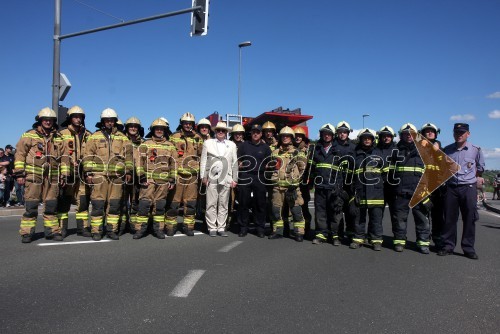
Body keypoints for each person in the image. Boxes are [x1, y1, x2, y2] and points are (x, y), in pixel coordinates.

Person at [14, 107, 63, 243]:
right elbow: (20, 155)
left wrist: (63, 175)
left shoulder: (58, 138)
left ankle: (52, 232)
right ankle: (27, 233)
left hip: (52, 177)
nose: (48, 122)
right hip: (33, 176)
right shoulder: (29, 135)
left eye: (50, 120)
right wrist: (19, 174)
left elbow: (63, 158)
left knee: (51, 205)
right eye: (45, 120)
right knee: (31, 205)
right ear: (40, 121)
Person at [83, 108, 133, 241]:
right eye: (107, 120)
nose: (109, 122)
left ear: (115, 121)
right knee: (98, 204)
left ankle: (111, 230)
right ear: (103, 121)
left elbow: (128, 156)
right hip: (99, 176)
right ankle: (97, 231)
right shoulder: (94, 137)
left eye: (112, 120)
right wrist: (88, 173)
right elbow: (88, 156)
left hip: (117, 177)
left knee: (114, 204)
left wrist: (128, 171)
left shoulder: (123, 138)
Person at [439, 123, 485, 259]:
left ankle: (468, 248)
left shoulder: (475, 150)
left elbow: (480, 168)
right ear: (453, 134)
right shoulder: (447, 150)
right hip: (451, 187)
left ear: (468, 134)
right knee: (449, 218)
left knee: (469, 218)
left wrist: (475, 179)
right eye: (457, 132)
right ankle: (448, 246)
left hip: (468, 188)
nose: (459, 135)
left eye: (462, 133)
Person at [389, 123, 432, 254]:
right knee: (399, 219)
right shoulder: (395, 151)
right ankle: (400, 242)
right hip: (401, 192)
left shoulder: (424, 151)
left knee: (422, 220)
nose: (409, 136)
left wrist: (427, 193)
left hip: (419, 193)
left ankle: (423, 243)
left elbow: (431, 174)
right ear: (401, 135)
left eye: (411, 134)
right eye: (406, 134)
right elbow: (390, 173)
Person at [134, 118, 176, 239]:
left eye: (161, 129)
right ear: (153, 130)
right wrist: (141, 176)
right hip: (148, 181)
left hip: (163, 182)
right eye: (157, 129)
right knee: (144, 205)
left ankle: (158, 229)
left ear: (165, 130)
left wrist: (172, 179)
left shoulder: (170, 146)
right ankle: (140, 230)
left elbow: (173, 164)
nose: (159, 131)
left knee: (160, 206)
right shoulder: (145, 145)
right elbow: (139, 162)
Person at [58, 105, 93, 238]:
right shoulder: (62, 134)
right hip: (67, 176)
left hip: (82, 175)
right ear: (70, 118)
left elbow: (92, 153)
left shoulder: (88, 135)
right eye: (75, 117)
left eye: (80, 117)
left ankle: (83, 229)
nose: (78, 119)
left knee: (83, 203)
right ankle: (62, 229)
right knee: (64, 203)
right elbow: (59, 155)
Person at [165, 112, 203, 236]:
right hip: (178, 175)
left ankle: (188, 226)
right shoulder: (174, 137)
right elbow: (169, 156)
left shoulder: (198, 138)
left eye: (190, 123)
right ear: (181, 124)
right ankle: (170, 226)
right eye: (185, 123)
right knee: (173, 203)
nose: (187, 125)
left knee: (191, 203)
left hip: (192, 176)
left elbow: (202, 156)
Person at [269, 126, 307, 241]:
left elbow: (303, 170)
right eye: (283, 136)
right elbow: (271, 167)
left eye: (287, 136)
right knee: (276, 211)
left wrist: (294, 184)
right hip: (277, 187)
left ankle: (299, 233)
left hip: (292, 187)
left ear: (291, 138)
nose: (285, 138)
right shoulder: (275, 152)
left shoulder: (298, 152)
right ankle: (278, 232)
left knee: (296, 211)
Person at [200, 122, 238, 237]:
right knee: (211, 203)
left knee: (223, 203)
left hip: (227, 177)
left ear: (226, 132)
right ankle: (212, 227)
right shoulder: (208, 143)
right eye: (218, 130)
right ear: (215, 132)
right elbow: (203, 161)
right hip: (211, 177)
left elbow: (234, 162)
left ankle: (221, 227)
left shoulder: (231, 145)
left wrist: (235, 179)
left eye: (223, 130)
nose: (220, 132)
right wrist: (203, 176)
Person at [350, 129, 385, 251]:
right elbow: (351, 175)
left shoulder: (379, 153)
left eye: (369, 138)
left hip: (376, 192)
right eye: (364, 138)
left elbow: (386, 173)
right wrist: (353, 191)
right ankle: (358, 239)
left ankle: (376, 240)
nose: (366, 140)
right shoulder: (355, 154)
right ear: (360, 140)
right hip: (361, 191)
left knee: (376, 219)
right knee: (359, 218)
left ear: (373, 139)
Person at [310, 123, 344, 246]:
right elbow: (311, 169)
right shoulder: (315, 150)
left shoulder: (338, 151)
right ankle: (321, 234)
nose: (327, 136)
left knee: (335, 212)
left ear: (332, 136)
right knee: (320, 212)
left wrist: (339, 188)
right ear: (321, 135)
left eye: (329, 134)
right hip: (320, 187)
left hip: (334, 188)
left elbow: (342, 171)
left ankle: (335, 236)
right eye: (325, 134)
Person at [237, 124, 272, 238]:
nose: (256, 134)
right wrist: (239, 165)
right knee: (243, 203)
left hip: (259, 177)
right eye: (254, 132)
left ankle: (260, 228)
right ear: (251, 133)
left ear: (261, 134)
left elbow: (269, 163)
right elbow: (238, 160)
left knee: (260, 203)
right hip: (245, 176)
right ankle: (243, 228)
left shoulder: (266, 148)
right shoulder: (243, 146)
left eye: (258, 132)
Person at [419, 123, 445, 248]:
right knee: (424, 216)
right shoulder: (418, 148)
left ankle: (438, 239)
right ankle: (424, 239)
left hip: (438, 189)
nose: (429, 133)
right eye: (427, 131)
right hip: (424, 188)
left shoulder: (441, 149)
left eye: (432, 131)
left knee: (438, 216)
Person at [120, 117, 145, 235]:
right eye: (131, 126)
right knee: (122, 201)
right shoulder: (121, 140)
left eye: (135, 126)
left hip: (138, 177)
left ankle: (134, 226)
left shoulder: (143, 143)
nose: (133, 128)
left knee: (136, 202)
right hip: (124, 176)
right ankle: (122, 226)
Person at [333, 121, 356, 241]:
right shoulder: (332, 146)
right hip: (337, 183)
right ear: (337, 133)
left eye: (345, 132)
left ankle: (351, 232)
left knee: (351, 210)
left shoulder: (353, 147)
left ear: (348, 133)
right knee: (337, 209)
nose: (342, 134)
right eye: (340, 132)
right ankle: (338, 234)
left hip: (350, 184)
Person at [294, 126, 313, 238]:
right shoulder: (291, 149)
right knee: (294, 207)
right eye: (295, 136)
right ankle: (297, 230)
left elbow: (310, 167)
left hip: (303, 184)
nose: (297, 138)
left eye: (299, 136)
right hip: (292, 183)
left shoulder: (308, 150)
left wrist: (309, 182)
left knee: (304, 206)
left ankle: (307, 228)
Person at [195, 118, 212, 221]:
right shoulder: (195, 139)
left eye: (206, 127)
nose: (204, 129)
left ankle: (206, 216)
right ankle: (198, 212)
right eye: (202, 127)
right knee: (197, 194)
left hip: (209, 172)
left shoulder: (213, 141)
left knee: (207, 195)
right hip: (196, 170)